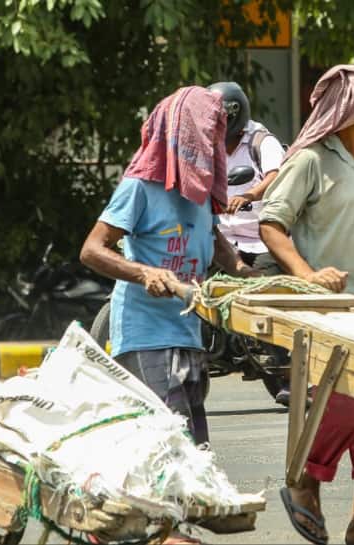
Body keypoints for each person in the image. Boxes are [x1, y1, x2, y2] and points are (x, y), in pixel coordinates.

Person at [258, 64, 354, 545]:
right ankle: (304, 486)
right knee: (345, 411)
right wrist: (307, 276)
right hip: (335, 313)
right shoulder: (309, 162)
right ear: (353, 110)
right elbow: (271, 224)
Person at [80, 86, 259, 452]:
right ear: (185, 133)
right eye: (207, 131)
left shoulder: (200, 187)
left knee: (196, 451)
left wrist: (241, 271)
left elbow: (211, 234)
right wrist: (145, 273)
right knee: (173, 450)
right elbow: (92, 250)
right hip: (146, 337)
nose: (213, 140)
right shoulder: (141, 186)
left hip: (188, 333)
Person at [207, 81, 293, 405]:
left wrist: (250, 195)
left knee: (268, 289)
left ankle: (286, 371)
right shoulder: (205, 142)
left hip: (260, 239)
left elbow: (278, 174)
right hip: (220, 237)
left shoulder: (261, 140)